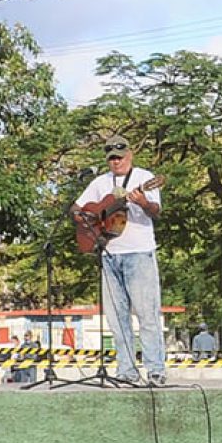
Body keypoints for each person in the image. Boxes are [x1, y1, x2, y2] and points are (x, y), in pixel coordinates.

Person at [71, 134, 167, 386]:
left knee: (147, 314)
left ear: (130, 155)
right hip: (109, 253)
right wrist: (90, 219)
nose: (116, 162)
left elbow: (156, 211)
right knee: (116, 317)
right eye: (112, 158)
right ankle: (126, 370)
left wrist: (143, 201)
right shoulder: (100, 182)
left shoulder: (145, 178)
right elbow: (77, 208)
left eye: (120, 157)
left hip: (139, 252)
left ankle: (155, 370)